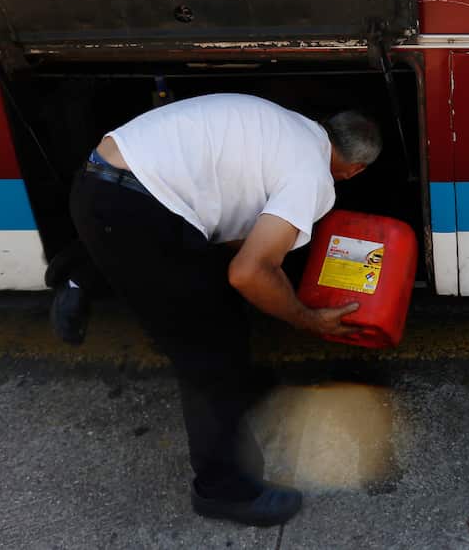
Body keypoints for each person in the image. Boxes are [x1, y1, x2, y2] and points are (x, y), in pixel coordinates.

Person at [65, 93, 381, 526]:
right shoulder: (312, 178)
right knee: (209, 353)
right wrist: (304, 318)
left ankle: (77, 277)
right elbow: (248, 272)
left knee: (208, 296)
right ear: (355, 170)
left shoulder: (285, 125)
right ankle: (223, 491)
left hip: (99, 181)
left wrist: (279, 286)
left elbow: (231, 244)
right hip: (135, 213)